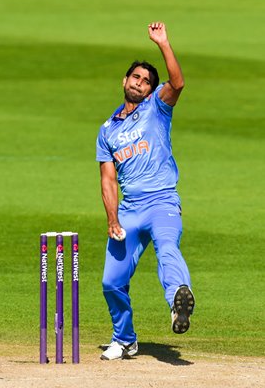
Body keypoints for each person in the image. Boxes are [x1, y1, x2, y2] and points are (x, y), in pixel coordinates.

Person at [96, 22, 195, 360]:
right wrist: (112, 218)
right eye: (136, 78)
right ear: (125, 81)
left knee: (168, 248)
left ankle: (178, 301)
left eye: (146, 81)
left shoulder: (157, 109)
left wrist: (164, 44)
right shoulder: (107, 131)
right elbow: (108, 179)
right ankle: (125, 339)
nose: (140, 83)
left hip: (163, 200)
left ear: (152, 90)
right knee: (111, 282)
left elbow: (178, 83)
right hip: (130, 209)